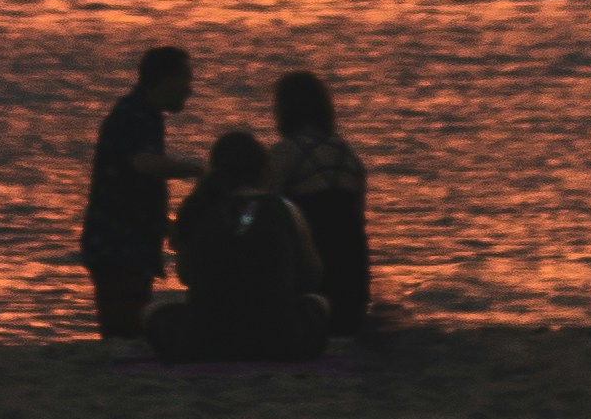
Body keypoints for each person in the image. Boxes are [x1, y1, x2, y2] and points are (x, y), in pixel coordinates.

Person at [146, 128, 332, 365]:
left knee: (151, 311)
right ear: (263, 169)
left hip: (205, 342)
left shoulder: (198, 210)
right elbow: (313, 276)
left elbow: (186, 277)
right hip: (279, 342)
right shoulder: (286, 209)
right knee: (320, 303)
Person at [78, 44, 195, 347]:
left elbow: (134, 187)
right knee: (125, 335)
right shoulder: (136, 114)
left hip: (127, 244)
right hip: (119, 246)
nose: (190, 91)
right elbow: (143, 164)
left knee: (127, 332)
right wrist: (199, 169)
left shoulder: (142, 114)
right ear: (168, 81)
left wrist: (167, 225)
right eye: (187, 81)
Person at [264, 66, 371, 336]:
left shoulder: (285, 153)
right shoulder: (348, 155)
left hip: (311, 276)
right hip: (353, 277)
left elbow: (263, 210)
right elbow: (358, 217)